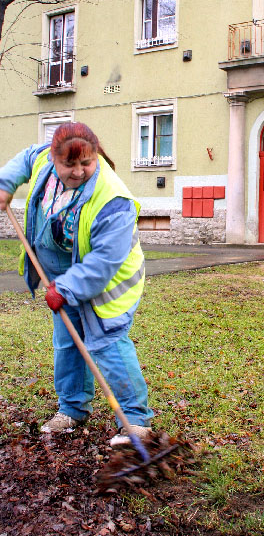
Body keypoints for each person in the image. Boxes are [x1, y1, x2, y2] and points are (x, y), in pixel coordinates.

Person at [0, 123, 154, 447]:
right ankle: (72, 409)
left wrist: (64, 289)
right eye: (69, 165)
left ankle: (136, 423)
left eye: (87, 162)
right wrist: (4, 185)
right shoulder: (43, 160)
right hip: (62, 279)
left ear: (95, 155)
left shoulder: (113, 201)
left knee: (108, 346)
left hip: (107, 285)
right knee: (68, 342)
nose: (79, 171)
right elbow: (27, 158)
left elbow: (103, 264)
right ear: (54, 159)